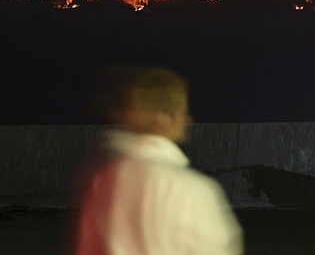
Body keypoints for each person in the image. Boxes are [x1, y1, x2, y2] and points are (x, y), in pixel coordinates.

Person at [72, 65, 244, 255]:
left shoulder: (100, 176)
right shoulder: (192, 188)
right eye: (182, 112)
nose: (188, 120)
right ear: (162, 119)